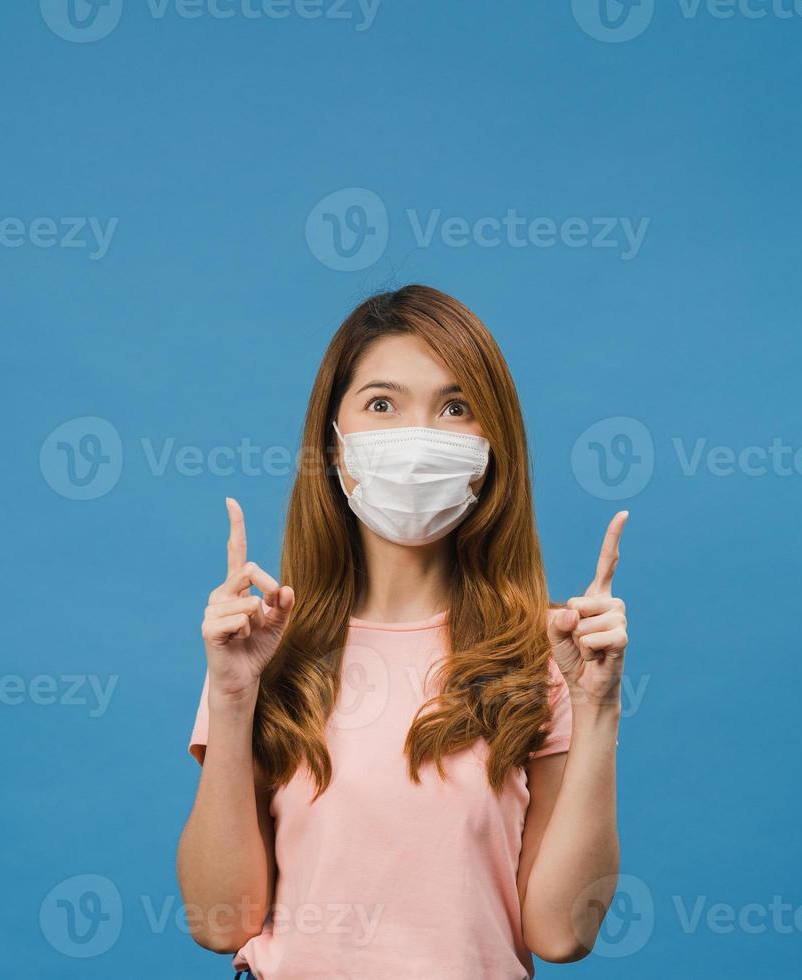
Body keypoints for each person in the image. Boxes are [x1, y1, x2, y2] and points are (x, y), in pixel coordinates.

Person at [176, 285, 629, 979]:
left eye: (455, 407)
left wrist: (597, 709)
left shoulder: (545, 658)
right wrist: (233, 697)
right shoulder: (264, 648)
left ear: (491, 447)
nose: (416, 437)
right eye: (382, 404)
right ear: (333, 442)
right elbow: (217, 921)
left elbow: (561, 934)